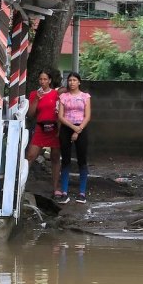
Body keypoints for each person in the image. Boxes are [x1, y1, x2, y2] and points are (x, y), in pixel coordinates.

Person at [25, 69, 62, 199]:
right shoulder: (34, 94)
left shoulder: (56, 94)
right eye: (41, 79)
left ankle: (56, 187)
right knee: (30, 156)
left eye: (45, 79)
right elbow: (30, 114)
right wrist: (36, 99)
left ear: (50, 80)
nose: (43, 81)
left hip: (54, 128)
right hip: (41, 128)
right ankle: (21, 185)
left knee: (55, 158)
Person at [56, 72, 91, 204]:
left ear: (79, 82)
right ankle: (64, 192)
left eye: (74, 80)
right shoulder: (63, 96)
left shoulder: (85, 96)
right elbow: (60, 116)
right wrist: (73, 128)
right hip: (66, 127)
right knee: (65, 159)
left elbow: (87, 116)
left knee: (82, 159)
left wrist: (78, 129)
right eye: (70, 80)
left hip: (81, 128)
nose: (71, 82)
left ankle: (82, 192)